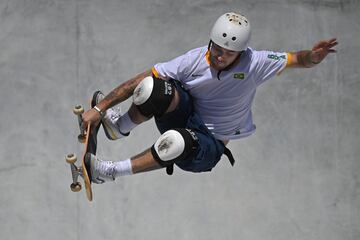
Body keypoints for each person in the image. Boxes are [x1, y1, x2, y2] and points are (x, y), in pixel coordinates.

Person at [81, 12, 338, 183]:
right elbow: (140, 78)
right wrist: (101, 109)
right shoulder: (193, 60)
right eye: (216, 48)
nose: (219, 57)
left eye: (228, 53)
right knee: (153, 86)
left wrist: (312, 57)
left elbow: (297, 59)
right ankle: (119, 127)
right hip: (186, 116)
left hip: (208, 146)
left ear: (241, 52)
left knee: (177, 141)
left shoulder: (256, 63)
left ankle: (109, 171)